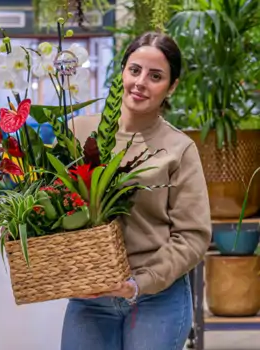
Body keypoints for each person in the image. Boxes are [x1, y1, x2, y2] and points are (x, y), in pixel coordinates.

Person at [60, 32, 212, 350]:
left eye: (155, 76)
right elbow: (52, 207)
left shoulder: (179, 149)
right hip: (90, 297)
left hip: (156, 298)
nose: (141, 82)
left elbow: (193, 236)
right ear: (122, 72)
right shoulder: (78, 132)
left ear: (171, 87)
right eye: (135, 70)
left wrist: (138, 283)